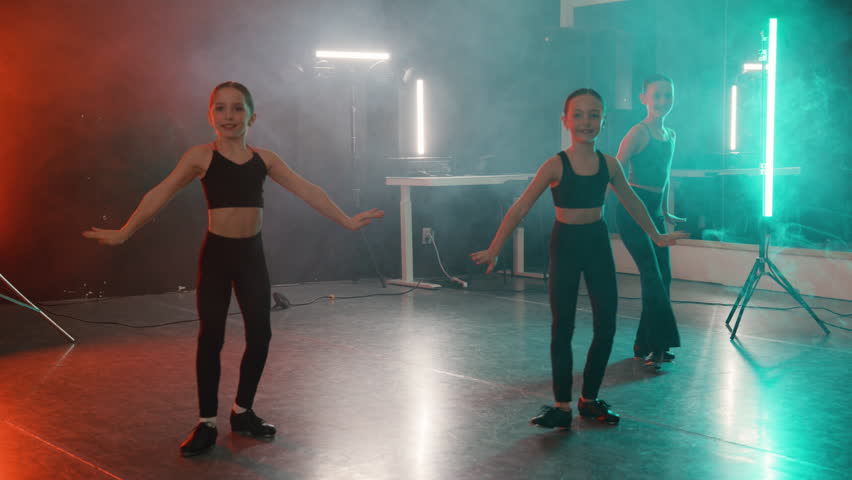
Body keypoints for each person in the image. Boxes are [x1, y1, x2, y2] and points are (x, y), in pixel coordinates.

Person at [82, 81, 384, 456]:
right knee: (212, 338)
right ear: (211, 116)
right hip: (217, 257)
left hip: (251, 257)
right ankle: (206, 422)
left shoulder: (265, 159)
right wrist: (125, 231)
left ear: (252, 116)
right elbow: (159, 194)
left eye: (237, 109)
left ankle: (242, 412)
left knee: (261, 336)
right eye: (221, 109)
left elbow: (309, 190)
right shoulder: (200, 157)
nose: (229, 116)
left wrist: (347, 221)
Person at [471, 88, 688, 429]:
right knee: (563, 325)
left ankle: (588, 399)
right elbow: (521, 207)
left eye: (594, 115)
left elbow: (633, 202)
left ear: (603, 121)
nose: (586, 121)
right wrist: (496, 246)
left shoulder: (610, 164)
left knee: (607, 324)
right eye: (579, 114)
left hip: (597, 242)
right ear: (566, 120)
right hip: (566, 245)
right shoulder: (555, 164)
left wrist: (657, 235)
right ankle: (561, 405)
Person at [615, 74, 684, 368]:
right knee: (653, 277)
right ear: (643, 98)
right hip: (633, 212)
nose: (662, 101)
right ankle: (657, 346)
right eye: (656, 95)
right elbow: (615, 173)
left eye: (667, 95)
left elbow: (665, 178)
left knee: (662, 277)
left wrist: (666, 213)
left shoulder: (671, 135)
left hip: (655, 212)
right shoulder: (638, 133)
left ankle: (645, 343)